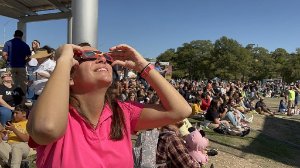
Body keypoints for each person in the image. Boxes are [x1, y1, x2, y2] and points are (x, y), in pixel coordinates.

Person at [27, 44, 192, 168]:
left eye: (105, 57)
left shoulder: (123, 112)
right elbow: (46, 129)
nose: (102, 59)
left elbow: (180, 111)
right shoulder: (53, 112)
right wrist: (63, 60)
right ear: (70, 76)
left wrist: (143, 66)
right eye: (89, 55)